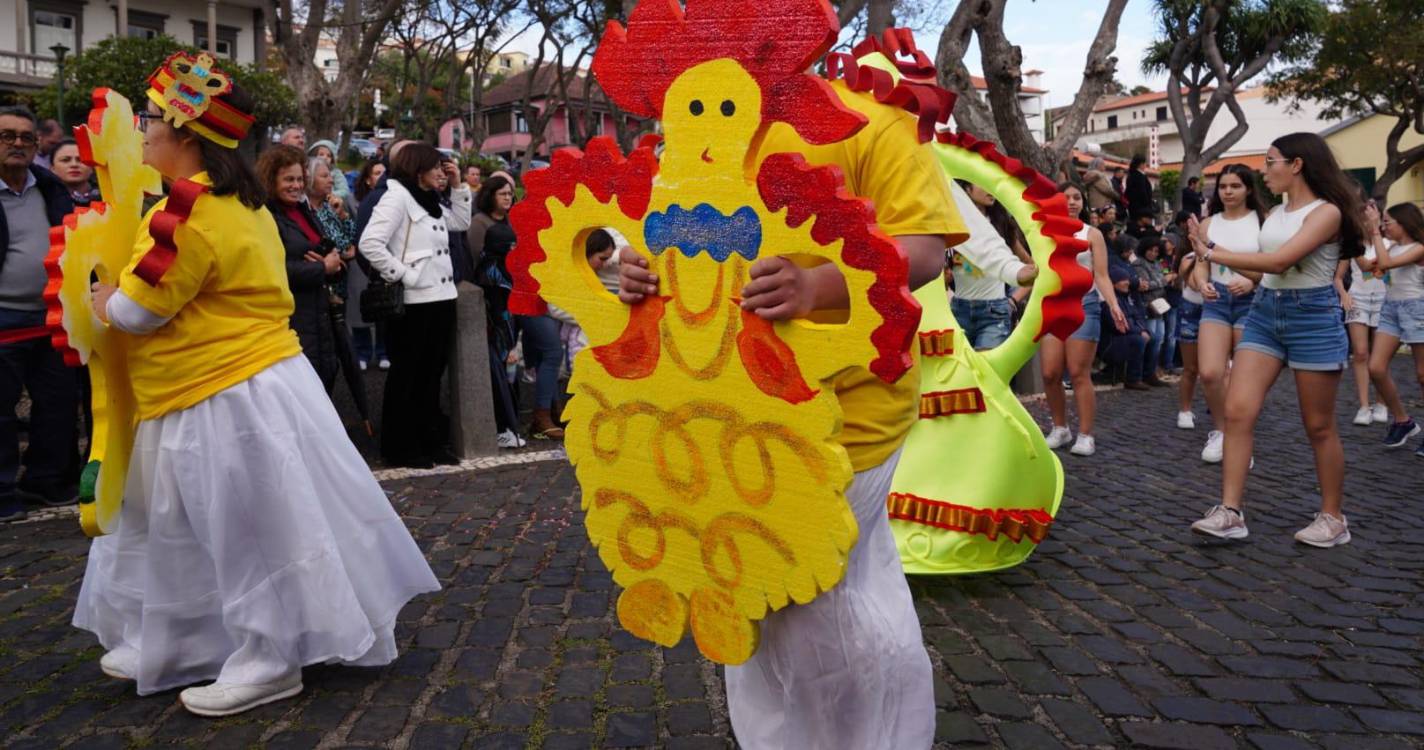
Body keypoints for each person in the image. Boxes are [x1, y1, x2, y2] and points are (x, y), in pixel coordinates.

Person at [617, 61, 966, 750]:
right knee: (750, 590)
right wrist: (635, 269)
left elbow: (923, 248)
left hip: (847, 414)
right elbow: (660, 233)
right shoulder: (697, 119)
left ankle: (879, 738)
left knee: (819, 590)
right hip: (718, 411)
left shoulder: (869, 116)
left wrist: (819, 287)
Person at [75, 57, 438, 715]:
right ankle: (186, 637)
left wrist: (101, 300)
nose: (144, 135)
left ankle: (269, 654)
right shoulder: (237, 203)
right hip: (232, 388)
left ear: (184, 133)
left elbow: (136, 311)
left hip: (221, 395)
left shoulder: (183, 214)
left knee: (241, 531)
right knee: (190, 527)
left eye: (152, 122)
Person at [1188, 132, 1364, 547]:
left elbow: (1283, 260)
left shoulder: (1327, 213)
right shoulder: (1281, 212)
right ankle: (1230, 511)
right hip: (1267, 312)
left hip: (1313, 318)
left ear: (1297, 164)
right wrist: (1213, 262)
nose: (1265, 171)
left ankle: (1333, 518)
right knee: (1237, 411)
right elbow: (1271, 273)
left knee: (1318, 425)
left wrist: (1212, 251)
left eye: (1270, 162)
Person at [358, 143, 471, 468]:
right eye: (436, 167)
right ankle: (401, 447)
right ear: (418, 168)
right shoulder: (397, 196)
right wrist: (404, 275)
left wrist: (458, 184)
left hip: (441, 299)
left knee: (431, 375)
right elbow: (369, 243)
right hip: (413, 302)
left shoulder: (430, 198)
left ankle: (430, 441)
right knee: (407, 376)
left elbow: (460, 223)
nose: (441, 172)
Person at [0, 106, 78, 522]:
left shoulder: (49, 186)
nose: (17, 144)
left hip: (51, 314)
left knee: (57, 403)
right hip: (3, 318)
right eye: (7, 136)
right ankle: (2, 492)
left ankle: (45, 482)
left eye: (26, 137)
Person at [1040, 183, 1128, 456]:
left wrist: (1113, 305)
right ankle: (1060, 427)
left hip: (1084, 304)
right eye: (1066, 198)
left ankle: (1086, 434)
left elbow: (1101, 275)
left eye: (1077, 197)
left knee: (1078, 372)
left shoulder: (1092, 234)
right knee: (1050, 372)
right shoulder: (1045, 233)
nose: (1072, 202)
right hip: (1054, 305)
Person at [1192, 163, 1266, 463]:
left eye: (1235, 186)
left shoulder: (1262, 220)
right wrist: (1201, 283)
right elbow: (1200, 264)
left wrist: (1251, 279)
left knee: (1243, 378)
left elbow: (1273, 264)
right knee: (1210, 372)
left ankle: (1239, 438)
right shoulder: (1209, 224)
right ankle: (1221, 432)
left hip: (1254, 301)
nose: (1228, 192)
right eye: (1223, 186)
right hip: (1217, 300)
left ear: (1248, 188)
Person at [258, 145, 343, 390]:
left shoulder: (303, 210)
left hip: (319, 313)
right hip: (293, 317)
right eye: (288, 180)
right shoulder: (264, 216)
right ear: (270, 179)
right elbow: (270, 270)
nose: (296, 185)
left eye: (299, 179)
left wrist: (335, 265)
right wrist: (322, 269)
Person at [1358, 202, 1424, 452]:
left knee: (1422, 375)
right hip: (1391, 309)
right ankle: (1402, 420)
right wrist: (1350, 245)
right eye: (1382, 221)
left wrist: (1374, 230)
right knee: (1376, 368)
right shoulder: (1394, 247)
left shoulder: (1419, 248)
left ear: (1405, 222)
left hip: (1417, 309)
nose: (1384, 226)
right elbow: (1370, 267)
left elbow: (1384, 264)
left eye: (1388, 222)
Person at [468, 175, 527, 448]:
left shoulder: (513, 222)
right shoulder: (480, 226)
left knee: (511, 370)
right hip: (498, 315)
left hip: (511, 314)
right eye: (502, 193)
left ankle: (511, 423)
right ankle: (505, 426)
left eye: (510, 194)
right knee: (503, 368)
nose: (507, 198)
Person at [946, 180, 1037, 349]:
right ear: (966, 189)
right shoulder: (953, 225)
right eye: (983, 184)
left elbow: (1032, 269)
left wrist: (1013, 301)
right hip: (958, 310)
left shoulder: (1000, 226)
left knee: (986, 370)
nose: (991, 190)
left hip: (994, 312)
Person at [1343, 202, 1389, 427]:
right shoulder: (1354, 244)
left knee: (1380, 355)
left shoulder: (1390, 243)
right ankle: (1364, 405)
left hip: (1384, 299)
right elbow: (1362, 267)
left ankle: (1382, 402)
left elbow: (1385, 266)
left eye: (1371, 216)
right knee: (1360, 352)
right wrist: (1343, 294)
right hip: (1358, 298)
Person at [349, 160, 388, 370]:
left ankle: (383, 350)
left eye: (383, 172)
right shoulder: (353, 201)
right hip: (358, 260)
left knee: (384, 304)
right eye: (376, 172)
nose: (381, 176)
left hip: (381, 260)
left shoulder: (390, 200)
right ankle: (362, 351)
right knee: (358, 308)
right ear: (368, 178)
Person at [1174, 237, 1206, 428]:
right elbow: (1194, 284)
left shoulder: (1223, 256)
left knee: (1221, 368)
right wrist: (1202, 258)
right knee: (1191, 368)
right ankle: (1185, 410)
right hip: (1191, 310)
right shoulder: (1189, 258)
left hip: (1215, 309)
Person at [1131, 236, 1171, 386]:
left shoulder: (1156, 264)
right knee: (1150, 340)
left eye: (1156, 251)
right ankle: (1142, 374)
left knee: (1158, 340)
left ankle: (1151, 372)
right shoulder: (1139, 264)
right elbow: (1146, 285)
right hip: (1147, 306)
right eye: (1151, 250)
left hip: (1159, 305)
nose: (1153, 253)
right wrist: (1164, 281)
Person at [51, 139, 99, 206]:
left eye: (81, 160)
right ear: (52, 168)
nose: (74, 164)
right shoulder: (44, 198)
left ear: (92, 167)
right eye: (65, 160)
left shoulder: (107, 196)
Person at [307, 139, 352, 204]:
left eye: (329, 155)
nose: (325, 157)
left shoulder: (336, 173)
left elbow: (344, 190)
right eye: (321, 154)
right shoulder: (309, 171)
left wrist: (329, 194)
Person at [1125, 154, 1154, 224]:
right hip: (1142, 209)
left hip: (1133, 208)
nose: (1145, 165)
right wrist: (1148, 205)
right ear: (1140, 164)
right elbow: (1143, 192)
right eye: (1144, 163)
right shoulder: (1140, 176)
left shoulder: (1131, 175)